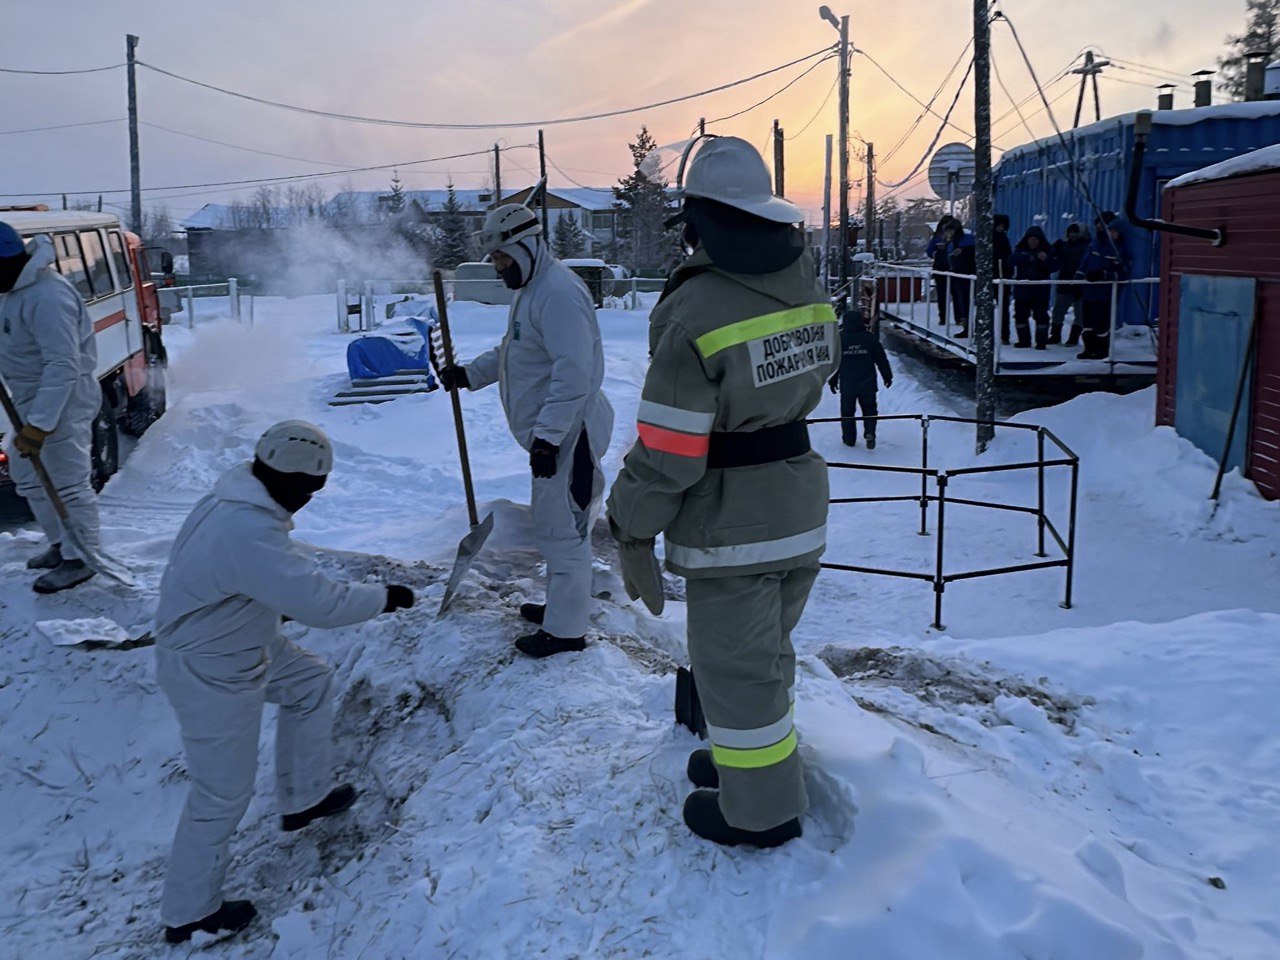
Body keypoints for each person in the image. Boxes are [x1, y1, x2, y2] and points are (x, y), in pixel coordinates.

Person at [607, 136, 838, 849]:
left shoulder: (695, 307)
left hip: (733, 524)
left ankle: (760, 812)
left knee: (735, 672)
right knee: (765, 657)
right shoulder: (806, 280)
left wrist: (630, 525)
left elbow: (671, 450)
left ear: (697, 219)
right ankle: (752, 768)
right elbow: (813, 379)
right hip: (797, 504)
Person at [153, 421, 415, 944]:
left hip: (241, 640)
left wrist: (260, 604)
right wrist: (385, 597)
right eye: (308, 491)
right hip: (212, 668)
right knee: (221, 794)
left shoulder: (237, 500)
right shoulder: (245, 530)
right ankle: (188, 912)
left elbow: (253, 579)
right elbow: (321, 604)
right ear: (288, 481)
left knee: (310, 682)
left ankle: (304, 797)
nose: (309, 502)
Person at [437, 204, 614, 659]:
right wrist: (471, 375)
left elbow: (575, 372)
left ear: (525, 246)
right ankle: (561, 607)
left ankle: (566, 632)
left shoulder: (556, 293)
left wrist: (550, 437)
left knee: (563, 530)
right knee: (559, 525)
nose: (497, 268)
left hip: (571, 432)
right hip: (558, 432)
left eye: (501, 258)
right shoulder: (533, 290)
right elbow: (515, 350)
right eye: (494, 259)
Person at [0, 221, 103, 593]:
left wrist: (40, 425)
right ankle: (61, 545)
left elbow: (62, 365)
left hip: (64, 397)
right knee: (27, 476)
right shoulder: (12, 290)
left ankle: (83, 558)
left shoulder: (47, 296)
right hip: (29, 396)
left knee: (68, 482)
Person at [828, 299, 893, 447]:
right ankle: (870, 432)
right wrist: (887, 376)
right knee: (869, 408)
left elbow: (835, 363)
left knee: (847, 412)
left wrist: (832, 381)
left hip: (848, 383)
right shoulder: (870, 339)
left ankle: (849, 439)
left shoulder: (840, 341)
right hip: (868, 382)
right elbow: (881, 360)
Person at [1074, 212, 1131, 360]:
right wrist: (1078, 278)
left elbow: (1123, 273)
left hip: (1105, 293)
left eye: (1104, 225)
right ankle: (1088, 348)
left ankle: (1101, 350)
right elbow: (1085, 262)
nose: (1099, 227)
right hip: (1089, 291)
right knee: (1087, 322)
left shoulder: (1119, 249)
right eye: (1098, 223)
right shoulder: (1095, 244)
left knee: (1101, 323)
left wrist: (1104, 274)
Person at [1009, 226, 1059, 349]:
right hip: (1023, 289)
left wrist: (1046, 259)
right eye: (1030, 239)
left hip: (1040, 290)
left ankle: (1041, 342)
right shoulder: (1020, 249)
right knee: (1020, 315)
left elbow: (1054, 267)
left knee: (1041, 315)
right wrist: (1028, 258)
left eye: (1035, 239)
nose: (1033, 242)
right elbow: (1011, 260)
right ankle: (1024, 340)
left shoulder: (1048, 250)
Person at [1050, 223, 1088, 346]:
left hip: (1081, 285)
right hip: (1065, 283)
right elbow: (1053, 258)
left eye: (1075, 232)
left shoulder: (1086, 247)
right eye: (1071, 232)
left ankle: (1073, 338)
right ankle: (1055, 336)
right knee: (1058, 312)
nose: (1073, 235)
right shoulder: (1063, 246)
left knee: (1080, 314)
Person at [946, 219, 976, 338]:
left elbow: (972, 255)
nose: (948, 233)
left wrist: (963, 252)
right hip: (958, 274)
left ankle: (969, 328)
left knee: (966, 302)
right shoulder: (954, 241)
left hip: (966, 274)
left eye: (950, 230)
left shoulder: (965, 241)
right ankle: (967, 327)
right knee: (962, 302)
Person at [925, 215, 957, 327]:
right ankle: (943, 318)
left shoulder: (957, 237)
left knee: (956, 294)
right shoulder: (937, 237)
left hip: (954, 268)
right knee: (942, 295)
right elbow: (929, 251)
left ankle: (959, 318)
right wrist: (936, 253)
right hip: (940, 268)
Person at [993, 213, 1014, 344]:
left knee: (1003, 307)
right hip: (994, 275)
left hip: (1002, 275)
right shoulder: (993, 239)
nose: (1001, 228)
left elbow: (1008, 258)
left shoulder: (1004, 239)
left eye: (1003, 226)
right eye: (999, 225)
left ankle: (1004, 335)